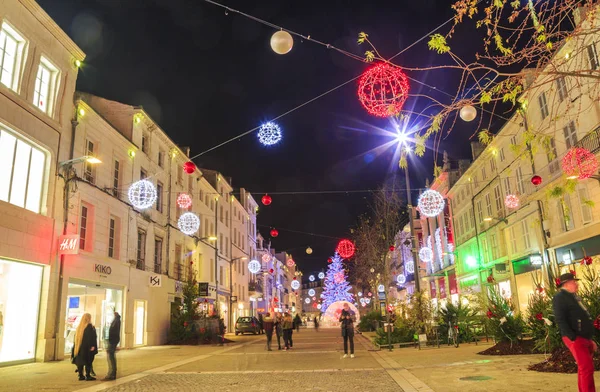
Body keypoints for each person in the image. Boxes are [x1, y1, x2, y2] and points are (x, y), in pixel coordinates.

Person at [553, 272, 597, 392]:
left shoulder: (573, 297)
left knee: (585, 369)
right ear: (566, 284)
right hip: (576, 337)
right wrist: (572, 337)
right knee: (586, 368)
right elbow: (560, 319)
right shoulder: (560, 298)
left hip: (583, 337)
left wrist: (589, 338)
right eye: (574, 282)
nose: (576, 284)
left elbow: (583, 316)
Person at [71, 313, 98, 381]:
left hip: (79, 347)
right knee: (88, 361)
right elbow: (91, 338)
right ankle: (88, 375)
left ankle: (80, 375)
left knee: (80, 362)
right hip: (87, 348)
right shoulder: (89, 327)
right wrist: (92, 346)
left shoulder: (79, 327)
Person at [103, 311, 121, 381]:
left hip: (112, 341)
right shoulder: (116, 320)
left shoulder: (116, 321)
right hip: (113, 340)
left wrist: (112, 342)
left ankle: (111, 374)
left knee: (111, 357)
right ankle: (111, 373)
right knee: (111, 357)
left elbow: (114, 332)